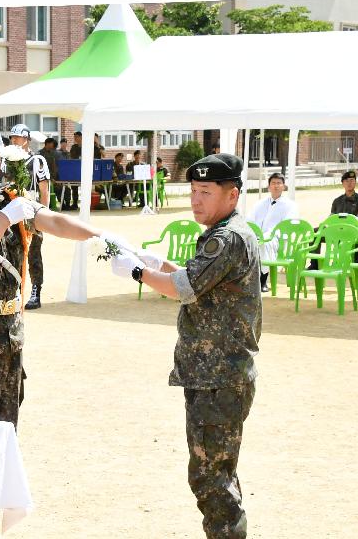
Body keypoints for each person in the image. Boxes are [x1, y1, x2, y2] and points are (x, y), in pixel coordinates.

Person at [0, 119, 126, 539]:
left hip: (9, 337)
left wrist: (101, 236)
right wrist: (1, 221)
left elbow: (52, 221)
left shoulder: (8, 199)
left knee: (2, 436)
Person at [109, 153, 259, 539]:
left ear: (232, 195)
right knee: (217, 475)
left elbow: (186, 289)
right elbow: (198, 279)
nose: (196, 200)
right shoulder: (225, 233)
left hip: (218, 377)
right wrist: (161, 263)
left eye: (205, 192)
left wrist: (140, 273)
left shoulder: (226, 238)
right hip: (214, 375)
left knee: (211, 481)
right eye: (193, 191)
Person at [8, 124, 51, 310]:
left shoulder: (37, 161)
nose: (14, 141)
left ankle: (36, 290)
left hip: (32, 210)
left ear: (26, 140)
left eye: (17, 138)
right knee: (11, 251)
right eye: (12, 138)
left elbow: (44, 189)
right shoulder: (6, 160)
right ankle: (14, 291)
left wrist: (43, 214)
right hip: (11, 210)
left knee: (34, 252)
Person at [247, 172, 299, 292]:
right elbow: (249, 220)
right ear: (269, 186)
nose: (276, 186)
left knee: (263, 245)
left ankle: (262, 281)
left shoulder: (290, 205)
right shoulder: (260, 203)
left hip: (278, 240)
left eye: (279, 183)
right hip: (258, 236)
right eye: (273, 183)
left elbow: (287, 226)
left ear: (283, 186)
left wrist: (267, 236)